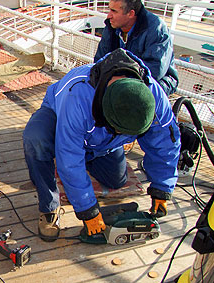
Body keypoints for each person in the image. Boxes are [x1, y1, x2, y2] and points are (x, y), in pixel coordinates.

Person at [23, 48, 181, 241]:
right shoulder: (78, 95)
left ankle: (88, 160)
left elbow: (165, 145)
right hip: (58, 116)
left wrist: (162, 188)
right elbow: (69, 156)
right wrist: (88, 209)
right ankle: (49, 206)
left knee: (116, 181)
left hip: (102, 142)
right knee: (35, 139)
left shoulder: (154, 96)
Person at [94, 0, 179, 96]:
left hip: (157, 82)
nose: (109, 16)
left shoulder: (157, 29)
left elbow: (155, 71)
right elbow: (99, 60)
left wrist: (120, 79)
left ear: (131, 13)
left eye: (114, 11)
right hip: (118, 79)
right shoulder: (111, 26)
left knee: (131, 97)